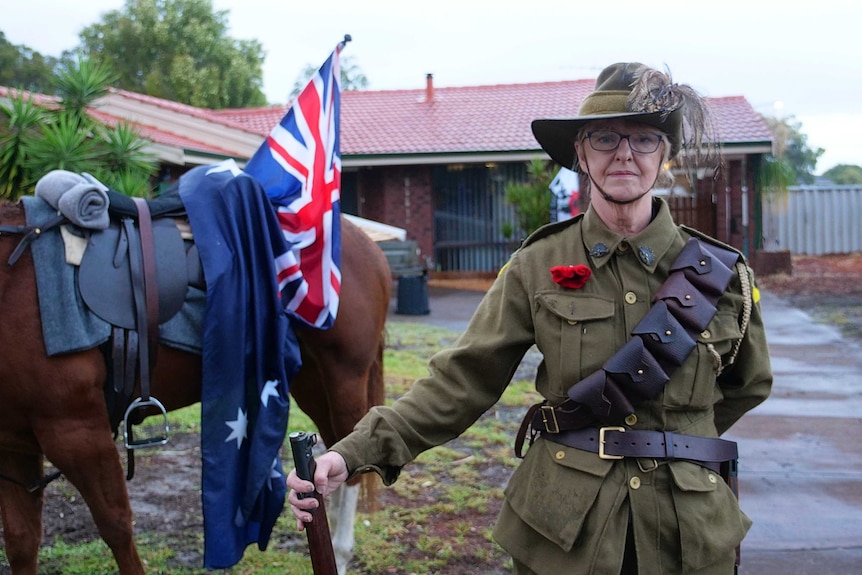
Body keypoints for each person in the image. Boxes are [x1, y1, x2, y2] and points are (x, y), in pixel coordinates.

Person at [286, 62, 773, 575]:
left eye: (645, 139)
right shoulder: (536, 264)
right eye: (605, 138)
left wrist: (676, 437)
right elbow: (462, 381)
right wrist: (350, 454)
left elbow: (748, 384)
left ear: (665, 155)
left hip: (688, 535)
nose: (625, 153)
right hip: (565, 534)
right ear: (581, 155)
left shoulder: (721, 275)